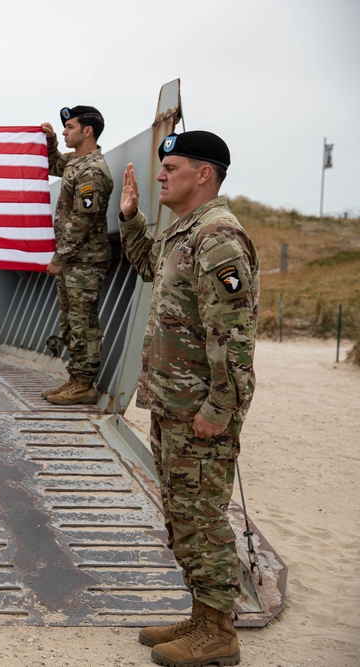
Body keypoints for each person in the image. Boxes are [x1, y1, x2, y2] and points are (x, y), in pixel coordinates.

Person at [118, 131, 258, 667]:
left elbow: (235, 337)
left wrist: (218, 411)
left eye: (171, 167)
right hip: (177, 407)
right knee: (184, 517)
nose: (160, 175)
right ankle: (203, 615)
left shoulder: (218, 237)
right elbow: (151, 266)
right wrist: (130, 218)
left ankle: (219, 631)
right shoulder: (187, 233)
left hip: (200, 412)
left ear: (204, 174)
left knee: (203, 519)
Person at [40, 106, 114, 405]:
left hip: (84, 260)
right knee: (71, 321)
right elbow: (53, 163)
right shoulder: (76, 162)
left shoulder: (92, 171)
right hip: (74, 260)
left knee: (83, 322)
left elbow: (83, 220)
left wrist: (60, 256)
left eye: (69, 127)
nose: (64, 131)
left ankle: (84, 383)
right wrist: (49, 143)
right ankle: (76, 378)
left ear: (87, 131)